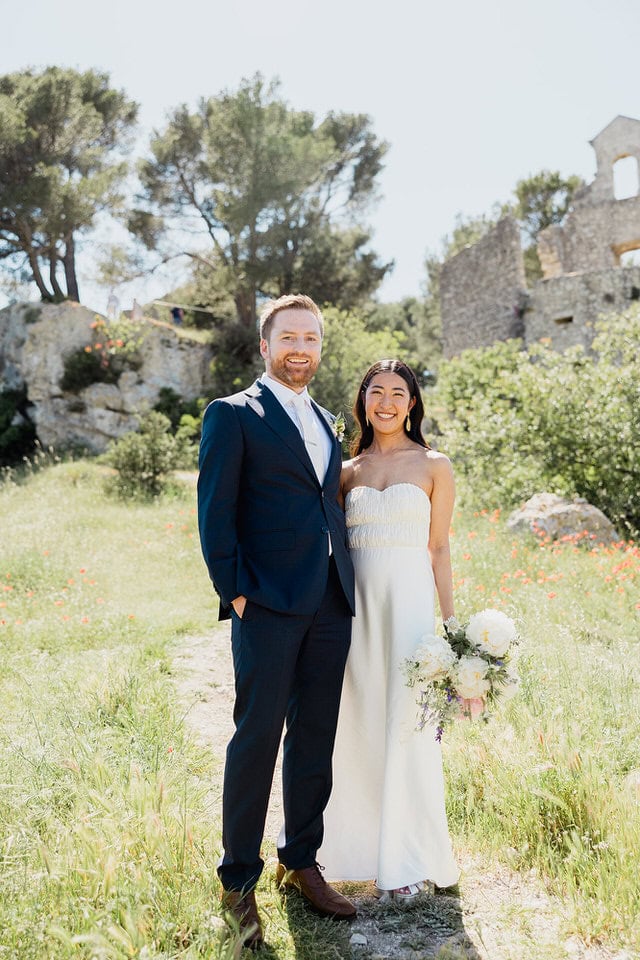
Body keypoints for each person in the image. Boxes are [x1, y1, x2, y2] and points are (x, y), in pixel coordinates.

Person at [197, 293, 357, 949]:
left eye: (311, 339)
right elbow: (214, 513)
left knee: (315, 736)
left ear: (320, 348)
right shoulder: (232, 415)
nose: (300, 349)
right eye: (288, 337)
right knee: (256, 739)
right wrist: (236, 594)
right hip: (263, 602)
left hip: (329, 600)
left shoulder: (326, 421)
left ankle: (300, 862)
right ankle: (239, 883)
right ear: (265, 346)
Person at [318, 358, 460, 901]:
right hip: (355, 611)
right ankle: (349, 850)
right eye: (375, 391)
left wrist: (451, 626)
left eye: (397, 392)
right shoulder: (347, 471)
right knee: (356, 721)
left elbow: (440, 547)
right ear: (363, 401)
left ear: (412, 403)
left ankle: (410, 857)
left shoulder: (434, 465)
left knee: (408, 724)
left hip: (409, 609)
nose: (386, 401)